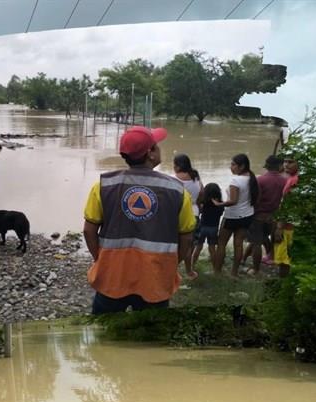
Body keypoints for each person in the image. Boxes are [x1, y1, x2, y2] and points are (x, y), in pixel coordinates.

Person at [83, 126, 196, 314]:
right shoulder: (177, 191)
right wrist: (172, 264)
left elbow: (89, 231)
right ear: (150, 153)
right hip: (155, 278)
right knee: (149, 338)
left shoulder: (103, 186)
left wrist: (99, 259)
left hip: (113, 276)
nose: (160, 148)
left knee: (104, 333)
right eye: (156, 145)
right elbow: (187, 237)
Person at [213, 153, 259, 277]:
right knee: (238, 245)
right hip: (247, 215)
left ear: (242, 166)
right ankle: (234, 273)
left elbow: (233, 201)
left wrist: (219, 204)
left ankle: (217, 271)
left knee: (221, 243)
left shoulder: (236, 180)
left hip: (232, 216)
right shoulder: (252, 178)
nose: (230, 167)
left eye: (233, 164)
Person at [243, 155, 286, 273]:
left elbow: (256, 200)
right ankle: (244, 259)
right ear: (280, 166)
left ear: (267, 166)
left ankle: (256, 269)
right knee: (264, 239)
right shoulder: (284, 181)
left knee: (256, 243)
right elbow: (284, 201)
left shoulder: (260, 179)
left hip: (258, 217)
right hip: (274, 218)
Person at [173, 153, 203, 279]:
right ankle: (189, 271)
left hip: (177, 215)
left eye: (174, 164)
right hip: (194, 214)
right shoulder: (196, 177)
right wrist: (197, 205)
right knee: (189, 245)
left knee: (174, 244)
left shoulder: (173, 179)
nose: (173, 167)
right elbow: (202, 193)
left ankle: (173, 270)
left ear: (179, 166)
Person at [274, 157, 299, 277]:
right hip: (290, 224)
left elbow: (288, 205)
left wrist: (279, 226)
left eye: (290, 162)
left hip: (288, 227)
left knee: (284, 259)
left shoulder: (295, 180)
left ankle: (283, 286)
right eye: (285, 161)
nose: (286, 165)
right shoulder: (291, 178)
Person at [191, 183, 224, 270]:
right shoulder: (220, 204)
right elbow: (220, 213)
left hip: (203, 227)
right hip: (214, 228)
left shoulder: (204, 202)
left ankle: (192, 267)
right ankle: (215, 269)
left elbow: (200, 211)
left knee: (198, 247)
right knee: (212, 249)